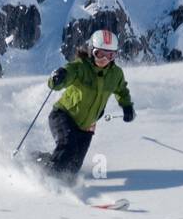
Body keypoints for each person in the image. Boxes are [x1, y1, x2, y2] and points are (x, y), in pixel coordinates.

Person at [36, 29, 136, 181]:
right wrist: (58, 77)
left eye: (110, 55)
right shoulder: (80, 67)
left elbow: (121, 90)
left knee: (73, 167)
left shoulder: (116, 74)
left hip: (86, 127)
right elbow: (66, 74)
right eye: (99, 53)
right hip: (63, 115)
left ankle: (40, 160)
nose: (104, 59)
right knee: (67, 147)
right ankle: (47, 179)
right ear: (91, 51)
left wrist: (127, 106)